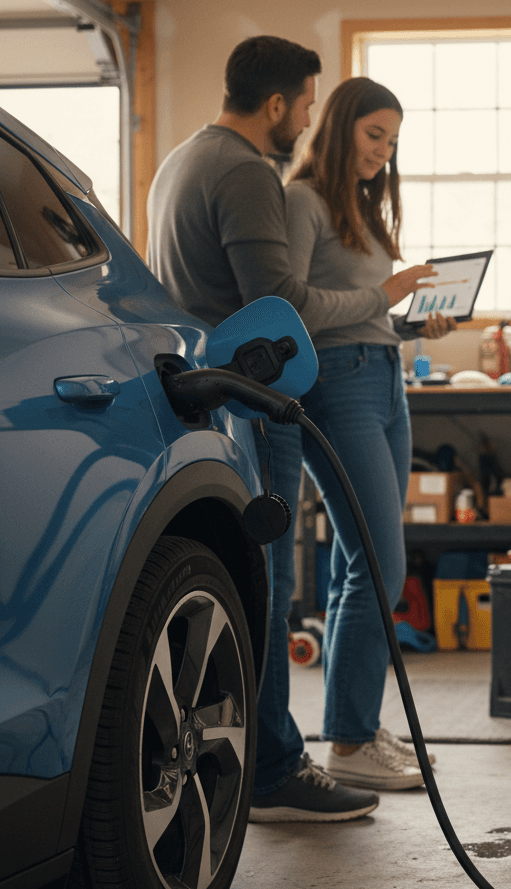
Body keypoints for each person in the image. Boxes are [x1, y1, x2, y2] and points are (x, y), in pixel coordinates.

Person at [146, 36, 394, 822]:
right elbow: (278, 307)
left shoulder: (180, 160)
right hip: (255, 404)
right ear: (279, 104)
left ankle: (251, 759)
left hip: (202, 397)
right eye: (310, 104)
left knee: (246, 587)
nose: (310, 119)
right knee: (270, 588)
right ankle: (276, 771)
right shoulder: (249, 171)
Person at [283, 77, 454, 791]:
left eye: (392, 140)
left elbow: (363, 311)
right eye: (374, 135)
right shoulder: (302, 201)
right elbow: (290, 304)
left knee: (379, 560)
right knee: (376, 562)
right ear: (342, 125)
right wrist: (387, 294)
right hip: (339, 382)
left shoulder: (362, 208)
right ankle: (347, 745)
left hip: (385, 374)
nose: (384, 152)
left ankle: (358, 724)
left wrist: (414, 321)